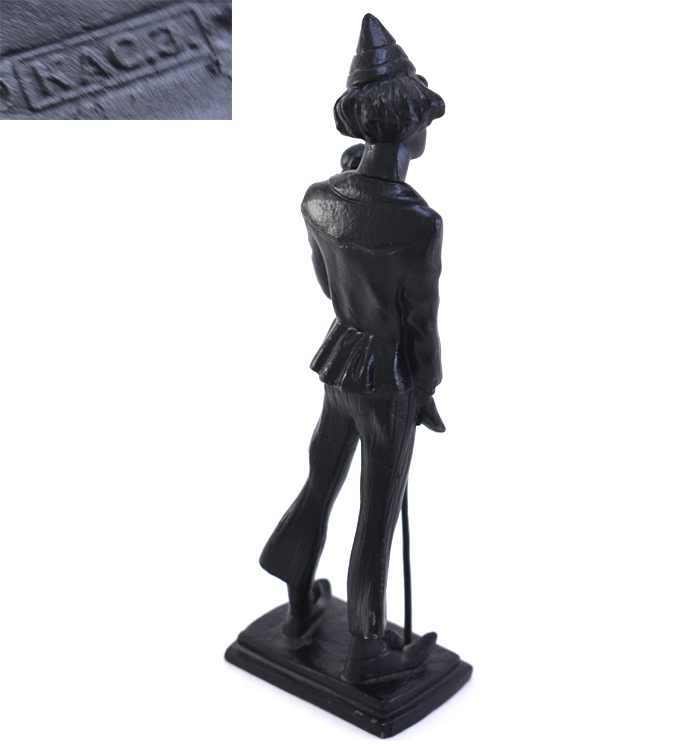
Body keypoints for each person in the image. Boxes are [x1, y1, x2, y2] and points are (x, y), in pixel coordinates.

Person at [259, 14, 446, 684]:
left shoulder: (318, 199)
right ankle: (366, 649)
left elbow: (326, 280)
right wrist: (427, 386)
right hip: (389, 376)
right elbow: (420, 320)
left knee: (321, 479)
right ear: (410, 128)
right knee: (377, 511)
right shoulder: (418, 222)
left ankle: (297, 601)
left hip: (340, 358)